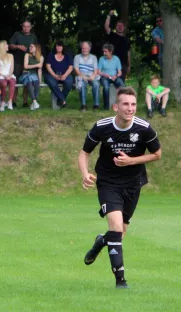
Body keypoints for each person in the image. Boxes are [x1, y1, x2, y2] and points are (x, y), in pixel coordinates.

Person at [78, 87, 162, 288]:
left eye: (133, 104)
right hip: (107, 182)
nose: (130, 108)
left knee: (119, 233)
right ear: (116, 106)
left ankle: (101, 242)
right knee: (115, 228)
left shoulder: (144, 128)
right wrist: (85, 173)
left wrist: (131, 161)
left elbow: (157, 154)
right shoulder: (102, 127)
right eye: (125, 104)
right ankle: (120, 281)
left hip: (133, 184)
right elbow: (84, 153)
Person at [9, 21, 38, 107]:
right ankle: (13, 101)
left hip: (29, 63)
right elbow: (10, 45)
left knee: (27, 81)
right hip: (17, 62)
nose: (26, 28)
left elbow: (37, 48)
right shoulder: (17, 34)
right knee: (16, 82)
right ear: (22, 27)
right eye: (24, 26)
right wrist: (18, 46)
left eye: (28, 26)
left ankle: (25, 102)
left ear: (30, 27)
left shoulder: (33, 37)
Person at [45, 41, 74, 108]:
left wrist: (65, 75)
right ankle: (63, 100)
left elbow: (71, 67)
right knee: (52, 83)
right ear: (55, 47)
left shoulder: (67, 55)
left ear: (63, 47)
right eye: (57, 46)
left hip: (65, 74)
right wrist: (54, 75)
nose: (59, 47)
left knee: (69, 82)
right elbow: (48, 66)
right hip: (52, 74)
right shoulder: (51, 54)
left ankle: (60, 100)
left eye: (60, 46)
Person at [74, 41, 100, 111]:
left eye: (86, 48)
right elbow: (76, 69)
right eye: (83, 48)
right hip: (81, 75)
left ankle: (96, 105)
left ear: (89, 49)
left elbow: (95, 69)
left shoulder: (94, 57)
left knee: (96, 84)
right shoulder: (77, 57)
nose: (84, 50)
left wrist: (93, 76)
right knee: (82, 84)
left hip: (92, 75)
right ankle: (83, 105)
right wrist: (83, 76)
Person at [104, 10, 131, 79]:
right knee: (113, 83)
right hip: (112, 63)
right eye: (118, 25)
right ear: (116, 27)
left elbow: (128, 53)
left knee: (121, 83)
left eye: (121, 26)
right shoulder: (112, 35)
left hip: (123, 64)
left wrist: (129, 65)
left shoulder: (127, 39)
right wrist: (109, 15)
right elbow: (106, 27)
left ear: (124, 28)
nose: (120, 27)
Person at [98, 44, 125, 109]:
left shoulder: (116, 59)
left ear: (111, 52)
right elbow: (98, 71)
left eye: (106, 51)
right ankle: (106, 106)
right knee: (106, 87)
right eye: (103, 51)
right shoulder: (101, 59)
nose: (104, 53)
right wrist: (105, 75)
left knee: (121, 85)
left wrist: (115, 76)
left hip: (114, 77)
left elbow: (120, 72)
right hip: (105, 77)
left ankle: (123, 102)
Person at [0, 40, 16, 111]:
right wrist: (4, 76)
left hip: (9, 74)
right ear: (2, 47)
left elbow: (12, 68)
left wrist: (9, 75)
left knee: (12, 81)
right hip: (1, 75)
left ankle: (10, 101)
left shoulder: (11, 56)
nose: (8, 46)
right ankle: (2, 101)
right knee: (4, 84)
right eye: (6, 45)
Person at [22, 43, 43, 111]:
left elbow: (40, 70)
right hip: (26, 74)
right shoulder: (27, 55)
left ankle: (33, 103)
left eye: (32, 46)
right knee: (29, 80)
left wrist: (40, 81)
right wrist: (36, 65)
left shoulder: (41, 57)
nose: (30, 48)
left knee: (37, 83)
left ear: (36, 48)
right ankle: (34, 101)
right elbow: (25, 66)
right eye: (29, 46)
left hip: (34, 75)